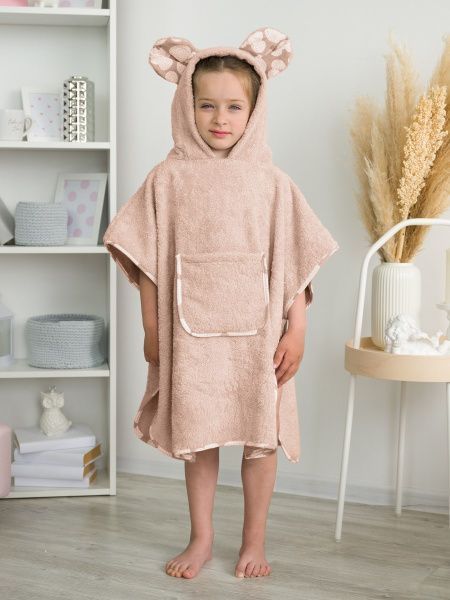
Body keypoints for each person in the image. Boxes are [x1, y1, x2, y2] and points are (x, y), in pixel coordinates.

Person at [103, 27, 339, 580]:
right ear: (186, 105)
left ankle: (254, 540)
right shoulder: (168, 180)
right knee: (198, 437)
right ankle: (201, 537)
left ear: (255, 111)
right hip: (190, 337)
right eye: (206, 104)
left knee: (260, 441)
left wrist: (297, 330)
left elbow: (295, 262)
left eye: (234, 106)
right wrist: (152, 328)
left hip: (260, 336)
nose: (219, 118)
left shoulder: (272, 183)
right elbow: (148, 258)